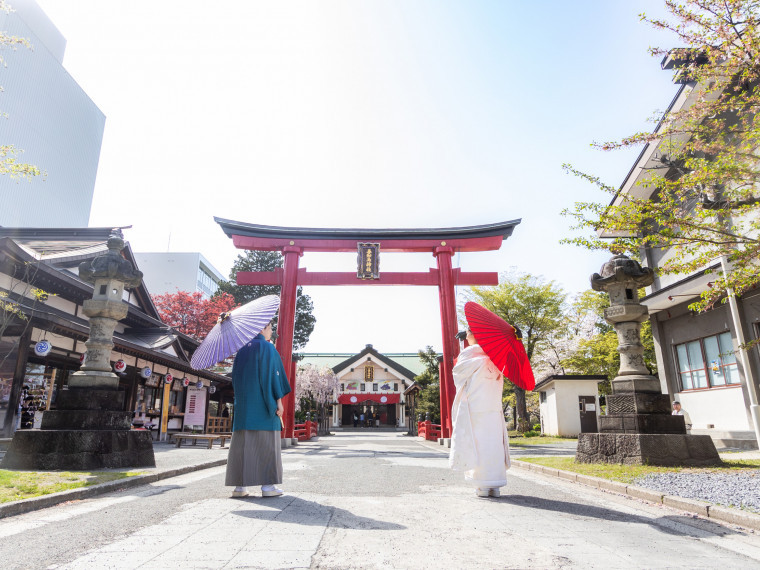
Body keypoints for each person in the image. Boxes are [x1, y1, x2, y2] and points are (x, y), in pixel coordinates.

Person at [225, 321, 291, 498]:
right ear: (262, 328)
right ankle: (267, 487)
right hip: (263, 405)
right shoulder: (268, 348)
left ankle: (239, 487)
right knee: (267, 445)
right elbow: (273, 377)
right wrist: (279, 401)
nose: (271, 332)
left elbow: (235, 380)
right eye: (270, 328)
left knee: (242, 447)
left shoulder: (241, 350)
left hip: (244, 408)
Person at [449, 328, 510, 498]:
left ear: (475, 334)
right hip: (493, 407)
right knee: (494, 444)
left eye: (468, 331)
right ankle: (494, 485)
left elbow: (458, 374)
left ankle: (482, 485)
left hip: (476, 407)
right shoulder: (495, 356)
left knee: (478, 443)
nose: (466, 333)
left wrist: (463, 348)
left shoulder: (470, 353)